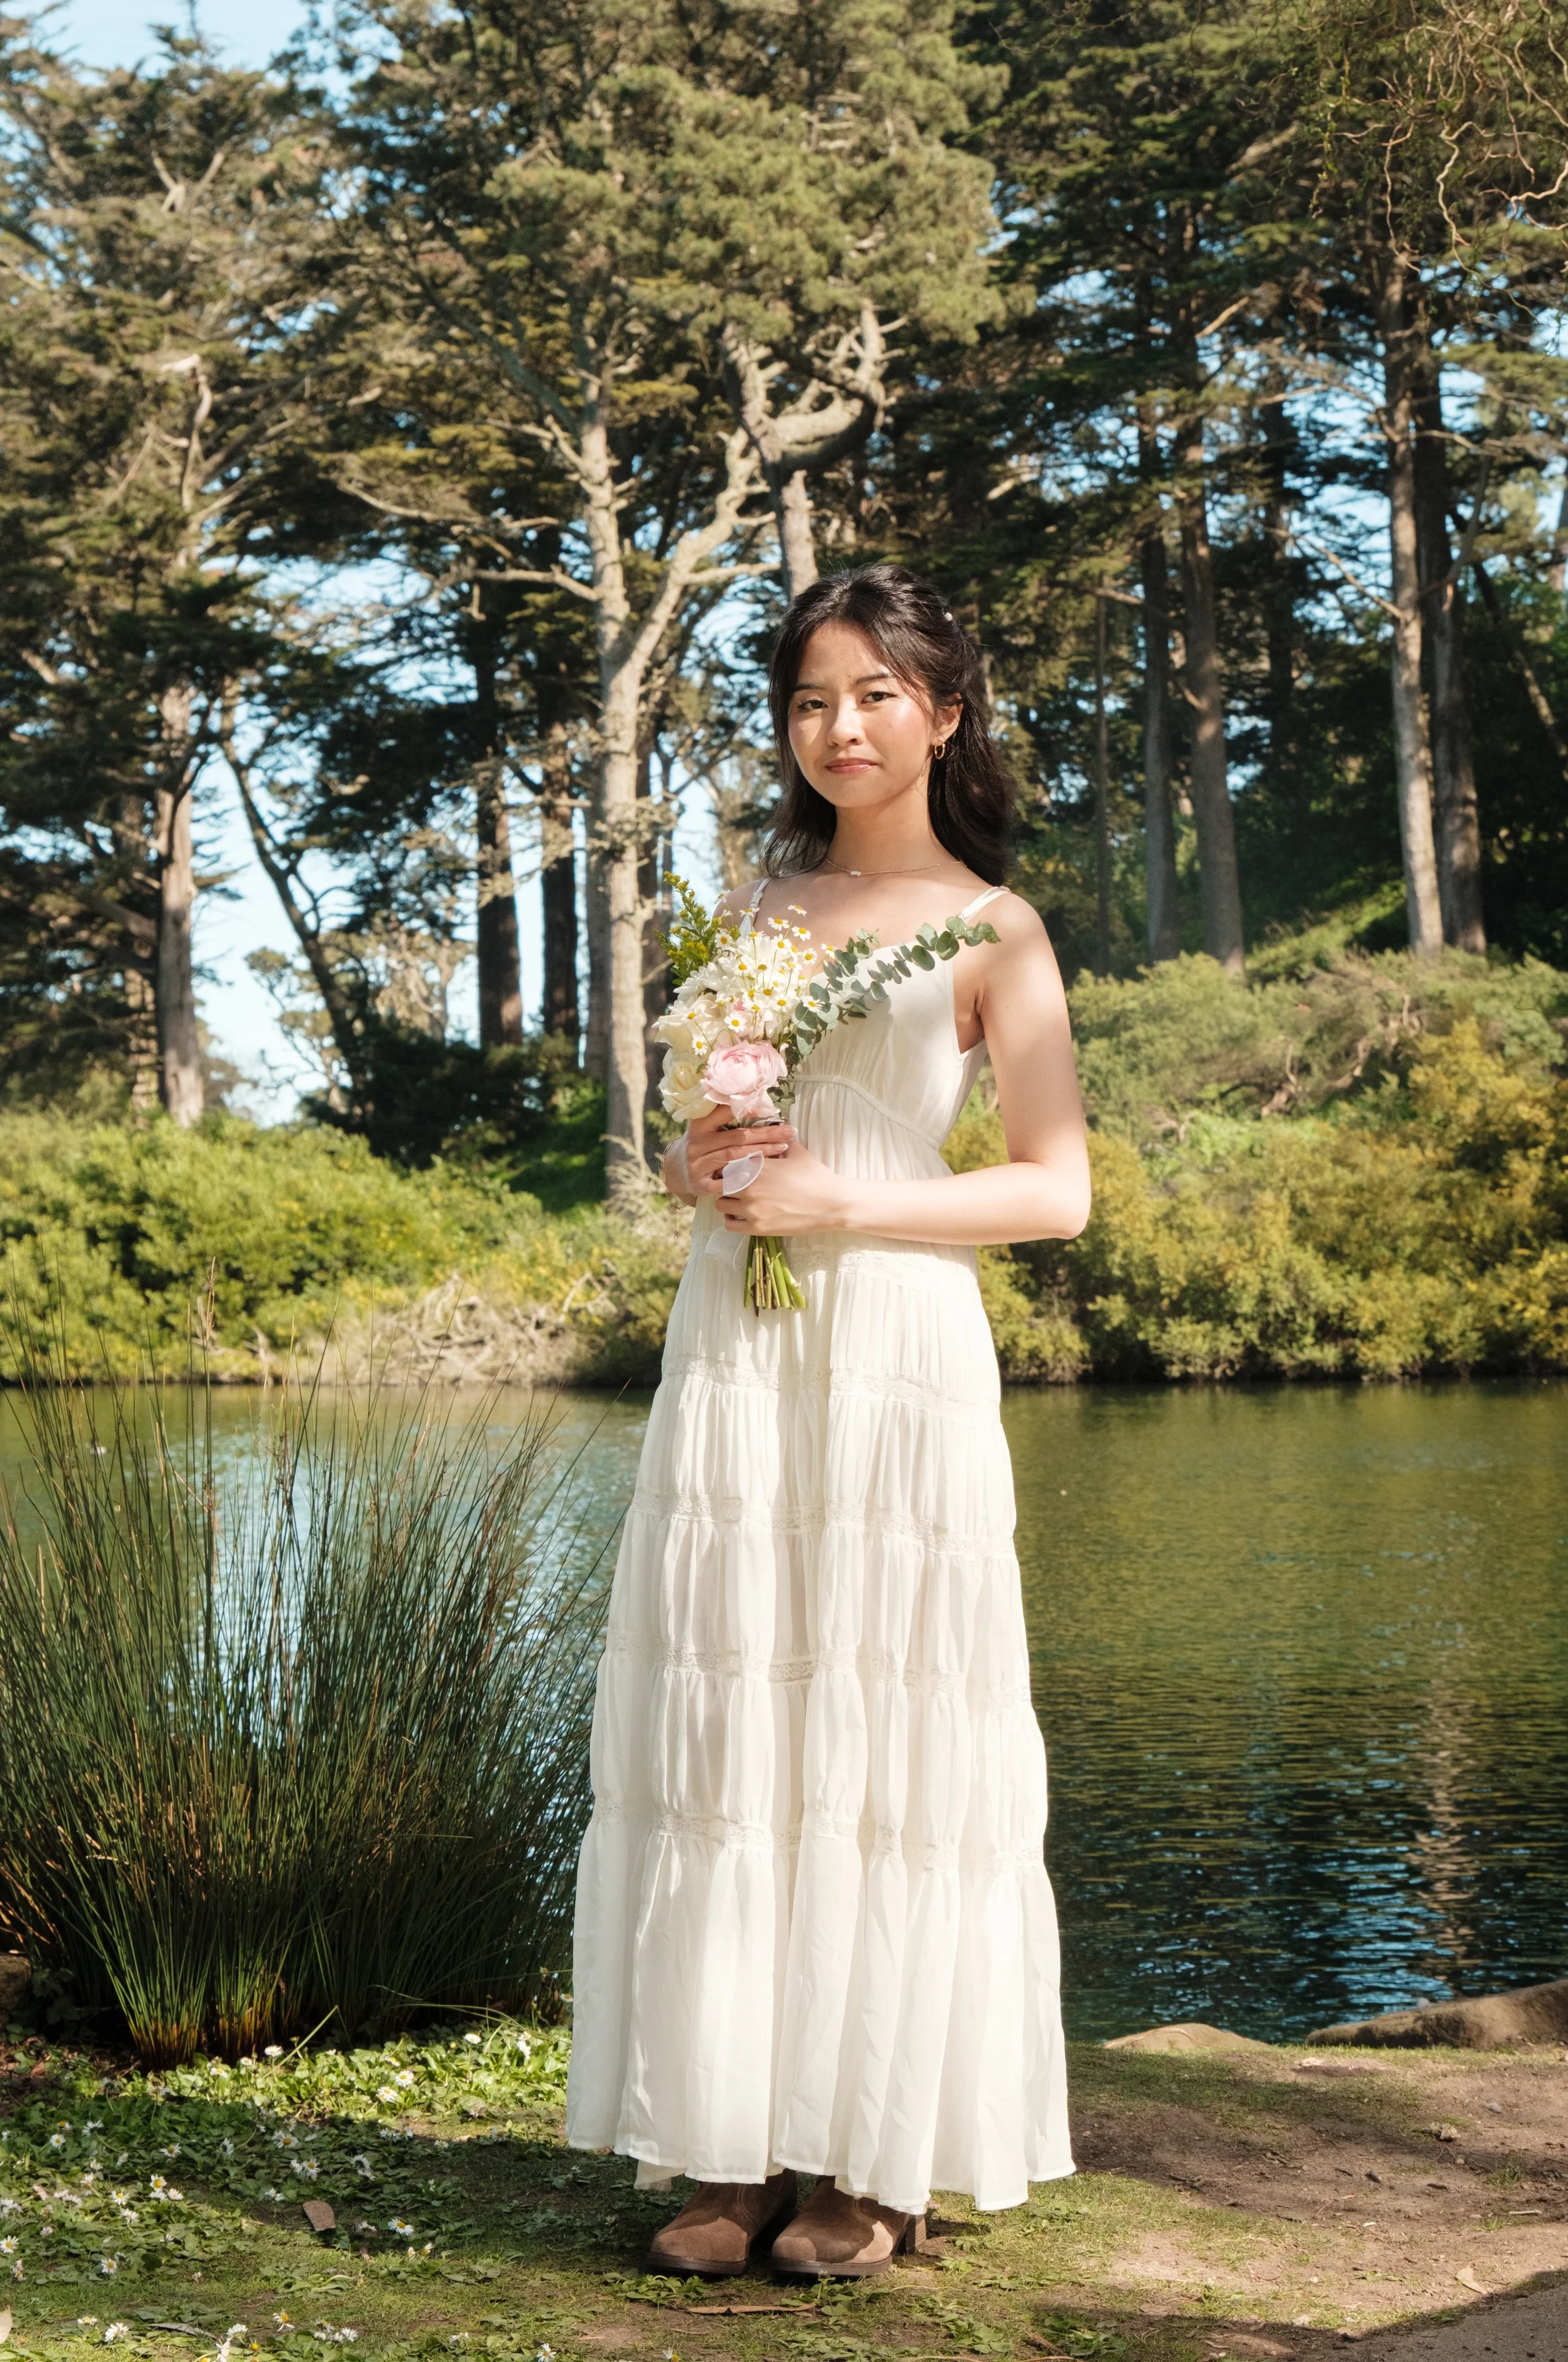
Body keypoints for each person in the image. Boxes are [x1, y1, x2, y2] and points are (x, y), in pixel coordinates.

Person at [564, 563, 1090, 2280]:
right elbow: (697, 1147)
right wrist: (703, 1170)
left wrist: (842, 1214)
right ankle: (730, 2149)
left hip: (892, 1355)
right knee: (735, 1719)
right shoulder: (760, 910)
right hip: (739, 1346)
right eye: (808, 697)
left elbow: (1052, 1190)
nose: (838, 724)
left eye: (874, 692)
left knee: (882, 1726)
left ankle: (874, 2160)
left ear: (943, 712)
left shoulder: (995, 929)